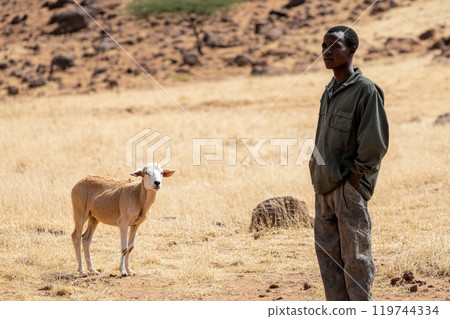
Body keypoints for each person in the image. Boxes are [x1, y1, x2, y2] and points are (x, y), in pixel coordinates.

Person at [309, 26, 389, 301]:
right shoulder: (329, 90)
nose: (327, 53)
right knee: (329, 261)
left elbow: (374, 145)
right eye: (323, 46)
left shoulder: (366, 91)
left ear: (351, 51)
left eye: (334, 47)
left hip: (347, 189)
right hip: (324, 188)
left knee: (355, 258)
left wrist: (352, 183)